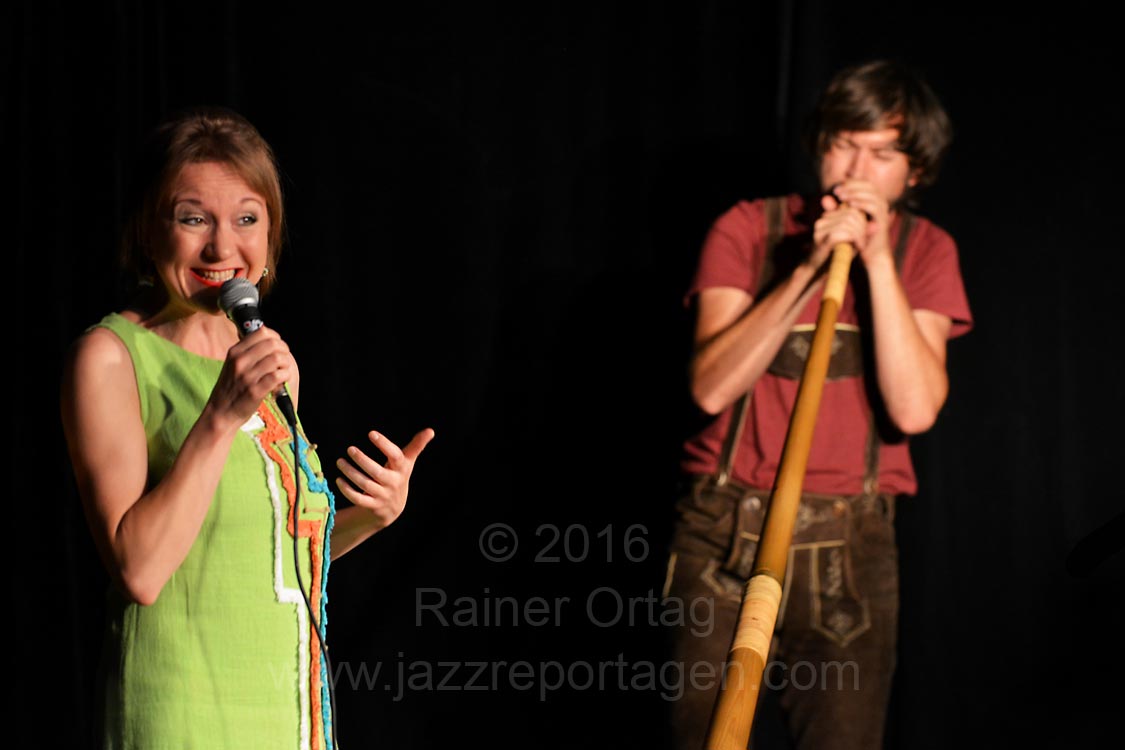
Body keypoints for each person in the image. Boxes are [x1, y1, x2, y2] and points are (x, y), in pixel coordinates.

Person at [59, 107, 434, 749]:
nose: (222, 248)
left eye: (246, 219)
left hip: (284, 706)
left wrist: (373, 516)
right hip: (183, 710)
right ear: (148, 229)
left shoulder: (267, 363)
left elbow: (265, 557)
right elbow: (140, 570)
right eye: (193, 219)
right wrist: (221, 416)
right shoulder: (110, 357)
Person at [664, 60, 972, 749]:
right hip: (722, 530)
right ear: (818, 146)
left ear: (914, 172)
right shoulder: (748, 228)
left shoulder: (926, 251)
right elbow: (710, 387)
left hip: (850, 547)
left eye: (881, 154)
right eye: (842, 144)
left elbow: (915, 410)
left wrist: (877, 261)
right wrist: (807, 267)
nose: (854, 170)